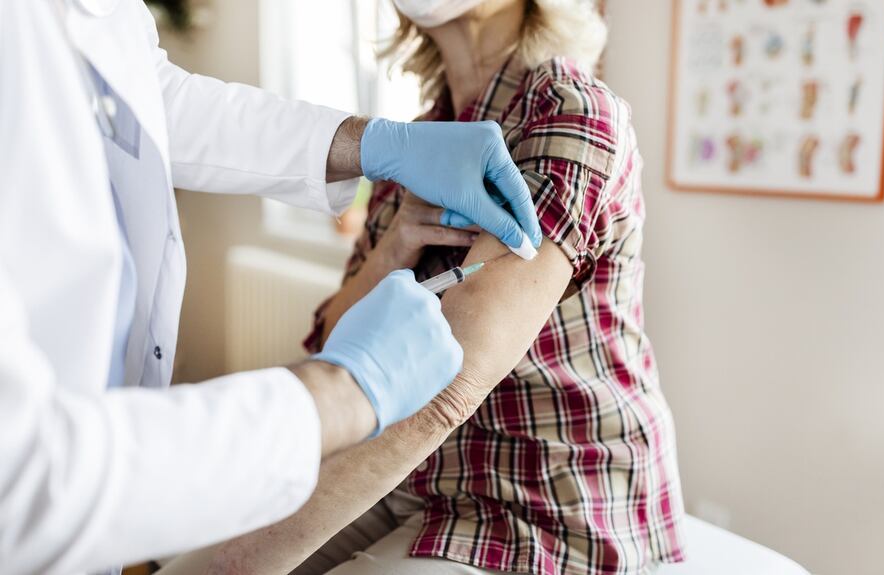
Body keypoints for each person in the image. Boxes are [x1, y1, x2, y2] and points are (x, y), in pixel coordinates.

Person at [0, 0, 543, 573]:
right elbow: (23, 482)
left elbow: (145, 96)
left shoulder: (561, 114)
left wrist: (368, 144)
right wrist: (342, 392)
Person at [177, 0, 687, 573]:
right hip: (419, 479)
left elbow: (454, 385)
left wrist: (242, 562)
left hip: (547, 491)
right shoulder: (421, 135)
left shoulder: (569, 110)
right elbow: (333, 338)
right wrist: (396, 244)